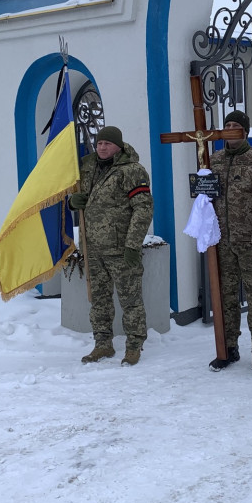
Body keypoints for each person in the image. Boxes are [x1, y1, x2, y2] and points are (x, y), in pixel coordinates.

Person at [68, 125, 153, 366]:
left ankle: (134, 346)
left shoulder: (132, 171)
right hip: (93, 249)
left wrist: (132, 245)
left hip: (120, 249)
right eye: (99, 143)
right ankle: (103, 344)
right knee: (99, 301)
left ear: (119, 146)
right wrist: (72, 203)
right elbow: (78, 198)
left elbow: (143, 208)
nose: (102, 147)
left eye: (107, 143)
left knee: (130, 300)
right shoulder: (87, 168)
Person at [208, 111, 252, 373]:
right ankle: (228, 348)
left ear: (245, 131)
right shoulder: (213, 160)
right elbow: (205, 197)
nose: (231, 128)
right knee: (225, 296)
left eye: (236, 125)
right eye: (227, 125)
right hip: (222, 242)